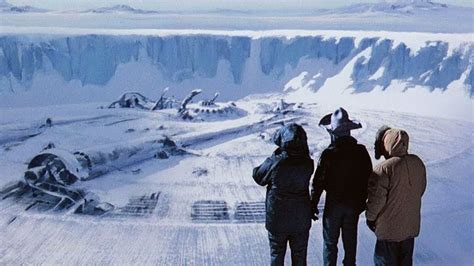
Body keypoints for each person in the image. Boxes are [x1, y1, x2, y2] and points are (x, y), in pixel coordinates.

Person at [311, 107, 372, 266]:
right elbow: (369, 179)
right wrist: (362, 203)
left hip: (333, 206)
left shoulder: (329, 154)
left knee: (330, 245)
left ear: (333, 133)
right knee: (350, 246)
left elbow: (318, 182)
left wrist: (313, 204)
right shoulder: (361, 152)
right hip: (353, 206)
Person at [253, 123, 314, 266]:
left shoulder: (276, 162)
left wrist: (274, 156)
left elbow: (258, 176)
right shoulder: (308, 163)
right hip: (301, 220)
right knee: (300, 257)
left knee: (277, 255)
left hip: (277, 221)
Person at [366, 126, 427, 266]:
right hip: (410, 229)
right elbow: (421, 190)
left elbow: (376, 200)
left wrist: (370, 218)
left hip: (388, 232)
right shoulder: (418, 163)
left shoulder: (384, 169)